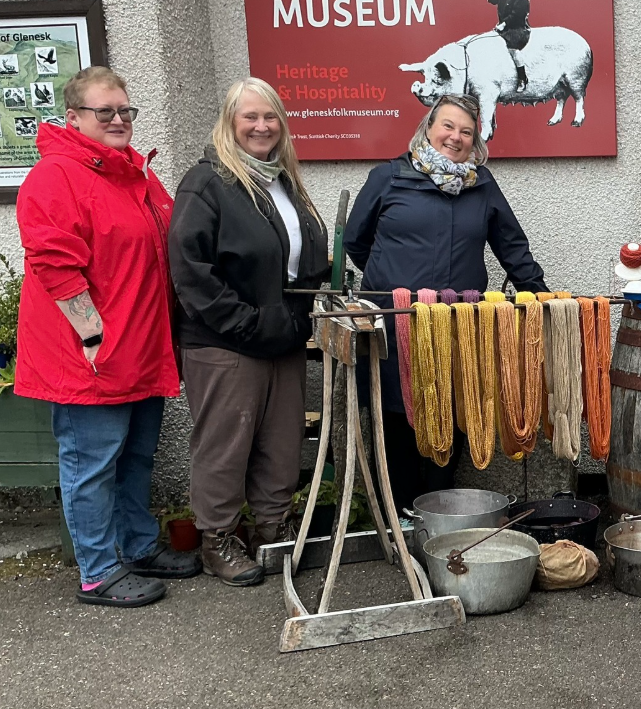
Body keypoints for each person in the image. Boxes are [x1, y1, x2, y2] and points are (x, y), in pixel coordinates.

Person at [15, 66, 199, 607]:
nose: (118, 120)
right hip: (90, 357)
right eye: (105, 112)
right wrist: (92, 338)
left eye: (125, 110)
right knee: (91, 466)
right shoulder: (56, 176)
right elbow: (54, 262)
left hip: (141, 349)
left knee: (135, 458)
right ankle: (97, 571)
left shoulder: (133, 173)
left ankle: (137, 547)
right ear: (73, 118)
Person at [344, 93, 548, 508]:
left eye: (466, 132)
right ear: (429, 128)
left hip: (458, 324)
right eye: (448, 126)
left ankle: (438, 509)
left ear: (476, 141)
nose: (456, 137)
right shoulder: (389, 177)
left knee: (454, 408)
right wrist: (390, 282)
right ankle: (401, 510)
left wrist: (541, 296)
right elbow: (355, 240)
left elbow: (512, 247)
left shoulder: (482, 186)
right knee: (397, 412)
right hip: (395, 324)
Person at [168, 77, 329, 586]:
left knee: (281, 443)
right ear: (229, 123)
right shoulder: (207, 183)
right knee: (226, 445)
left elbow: (296, 261)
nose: (262, 126)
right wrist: (246, 323)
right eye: (250, 117)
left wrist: (312, 301)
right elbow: (191, 270)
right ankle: (216, 540)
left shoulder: (283, 181)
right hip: (226, 343)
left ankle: (272, 529)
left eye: (270, 116)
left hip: (284, 339)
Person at [488, 0, 531, 92]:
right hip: (504, 28)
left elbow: (516, 15)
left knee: (513, 50)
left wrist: (503, 24)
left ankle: (522, 78)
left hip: (517, 29)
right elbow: (491, 1)